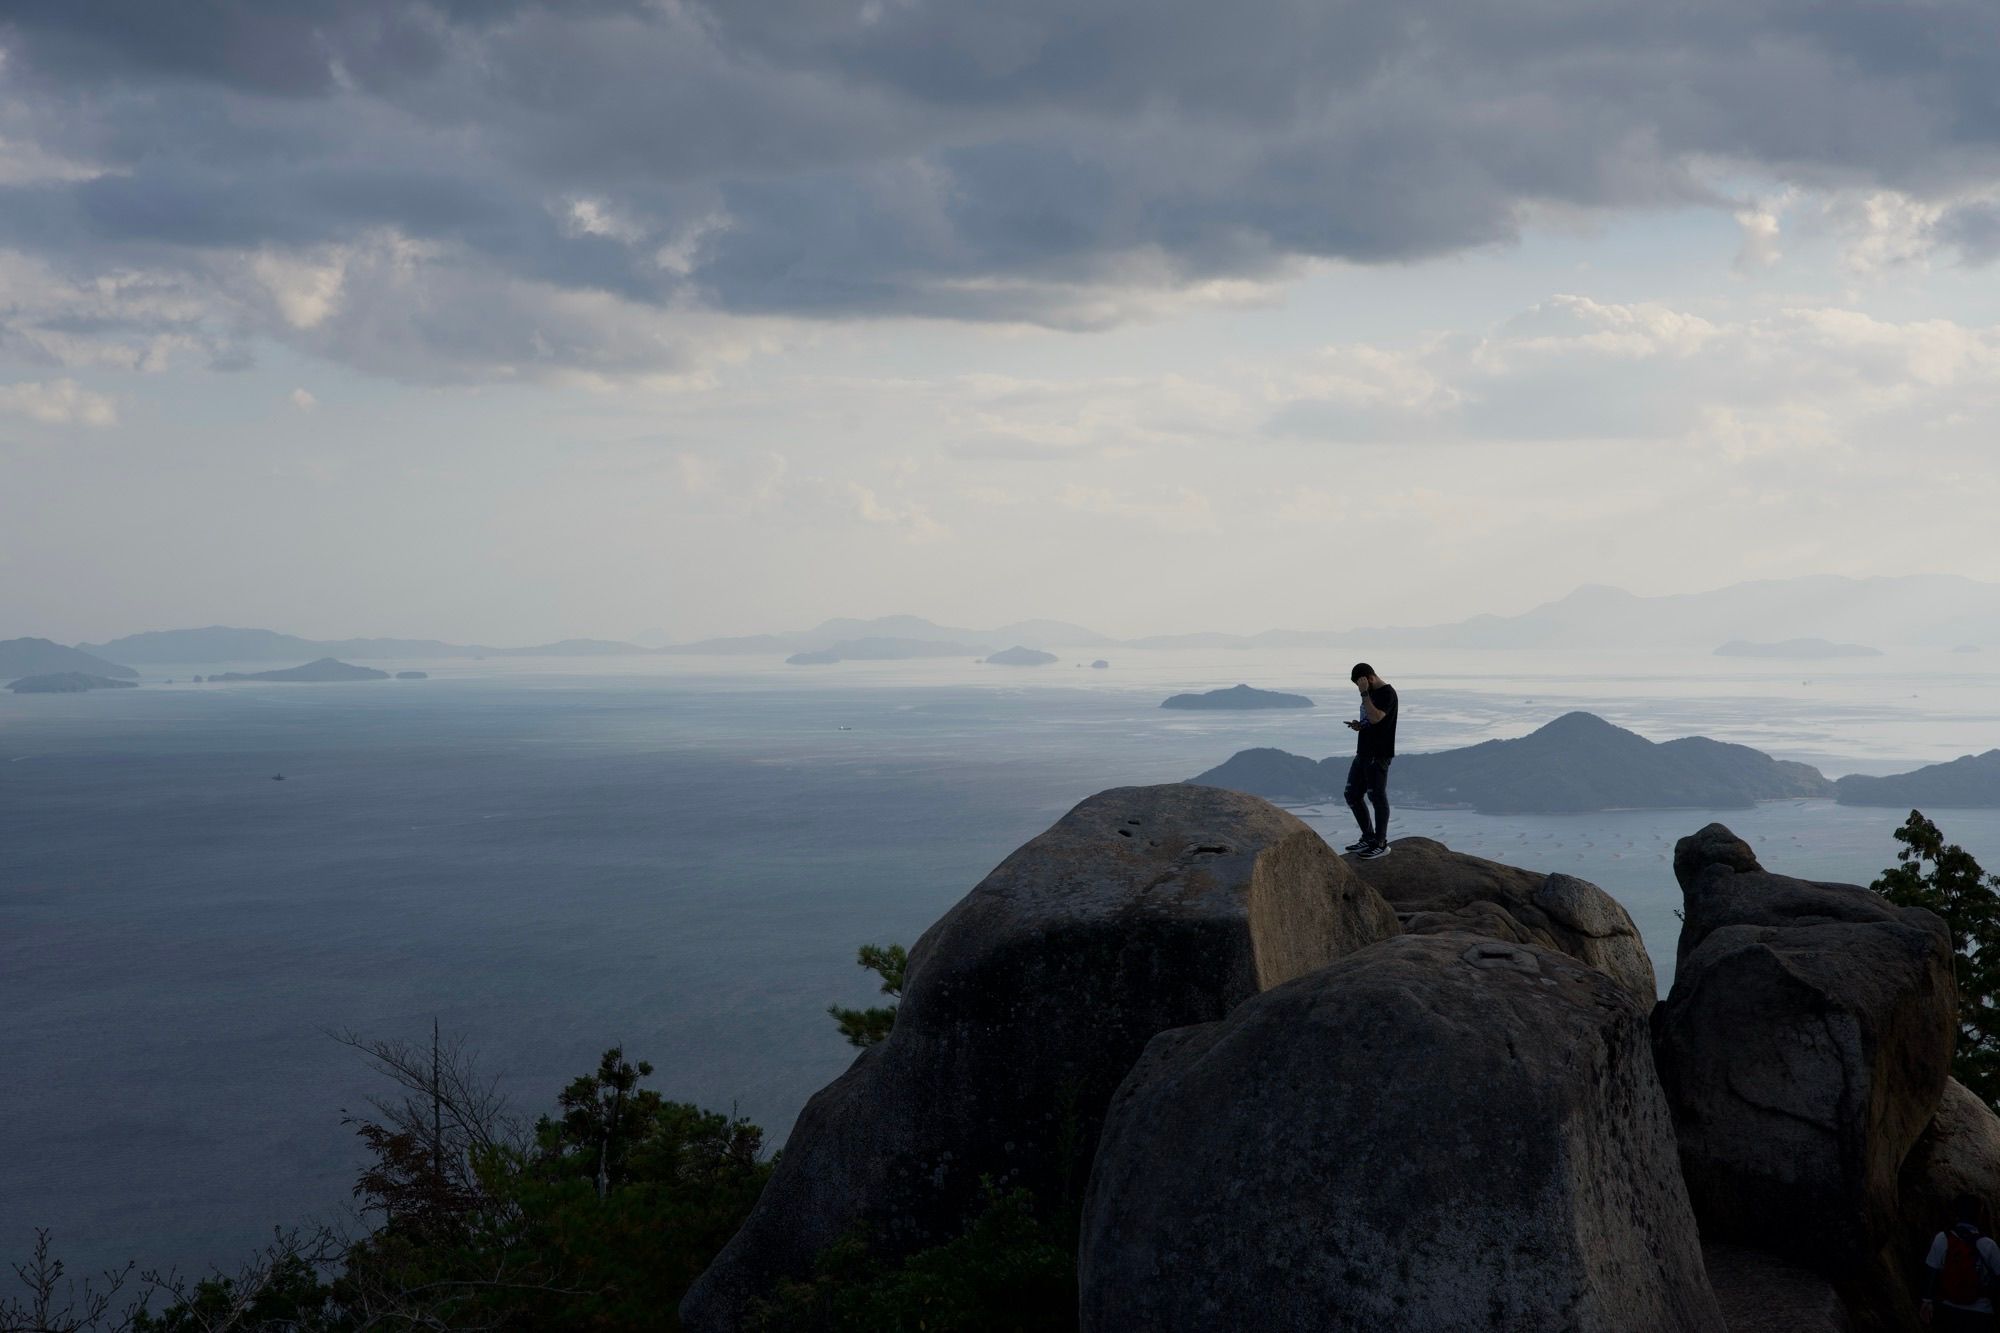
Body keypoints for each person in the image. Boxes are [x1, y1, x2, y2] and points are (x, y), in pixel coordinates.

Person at [1341, 663, 1398, 859]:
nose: (1360, 688)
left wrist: (1364, 693)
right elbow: (1371, 721)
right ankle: (1367, 837)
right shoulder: (1371, 693)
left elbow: (1376, 717)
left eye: (1361, 683)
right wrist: (1360, 725)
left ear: (1370, 678)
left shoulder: (1387, 693)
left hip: (1378, 754)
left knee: (1377, 797)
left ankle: (1380, 843)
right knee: (1352, 794)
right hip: (1364, 752)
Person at [1922, 1194, 2000, 1330]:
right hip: (1980, 1312)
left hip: (1948, 1309)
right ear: (1979, 1216)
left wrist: (1926, 1301)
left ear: (1956, 1213)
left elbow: (1931, 1271)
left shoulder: (1942, 1238)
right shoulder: (1988, 1245)